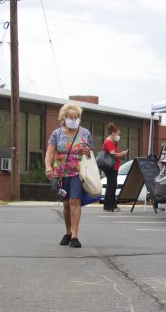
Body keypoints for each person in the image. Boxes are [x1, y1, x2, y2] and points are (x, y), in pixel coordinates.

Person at [44, 103, 93, 248]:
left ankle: (75, 235)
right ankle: (68, 232)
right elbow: (50, 152)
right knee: (66, 204)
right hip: (60, 173)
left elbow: (91, 154)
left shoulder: (85, 133)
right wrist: (48, 167)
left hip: (78, 173)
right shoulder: (57, 133)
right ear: (64, 118)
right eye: (71, 117)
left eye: (76, 117)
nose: (74, 119)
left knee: (74, 201)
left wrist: (87, 152)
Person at [102, 122, 129, 212]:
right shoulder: (109, 142)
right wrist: (123, 153)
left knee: (112, 186)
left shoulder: (110, 142)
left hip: (112, 168)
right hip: (111, 168)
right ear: (113, 133)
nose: (118, 136)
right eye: (118, 134)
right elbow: (114, 155)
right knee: (111, 186)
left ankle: (112, 206)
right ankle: (109, 206)